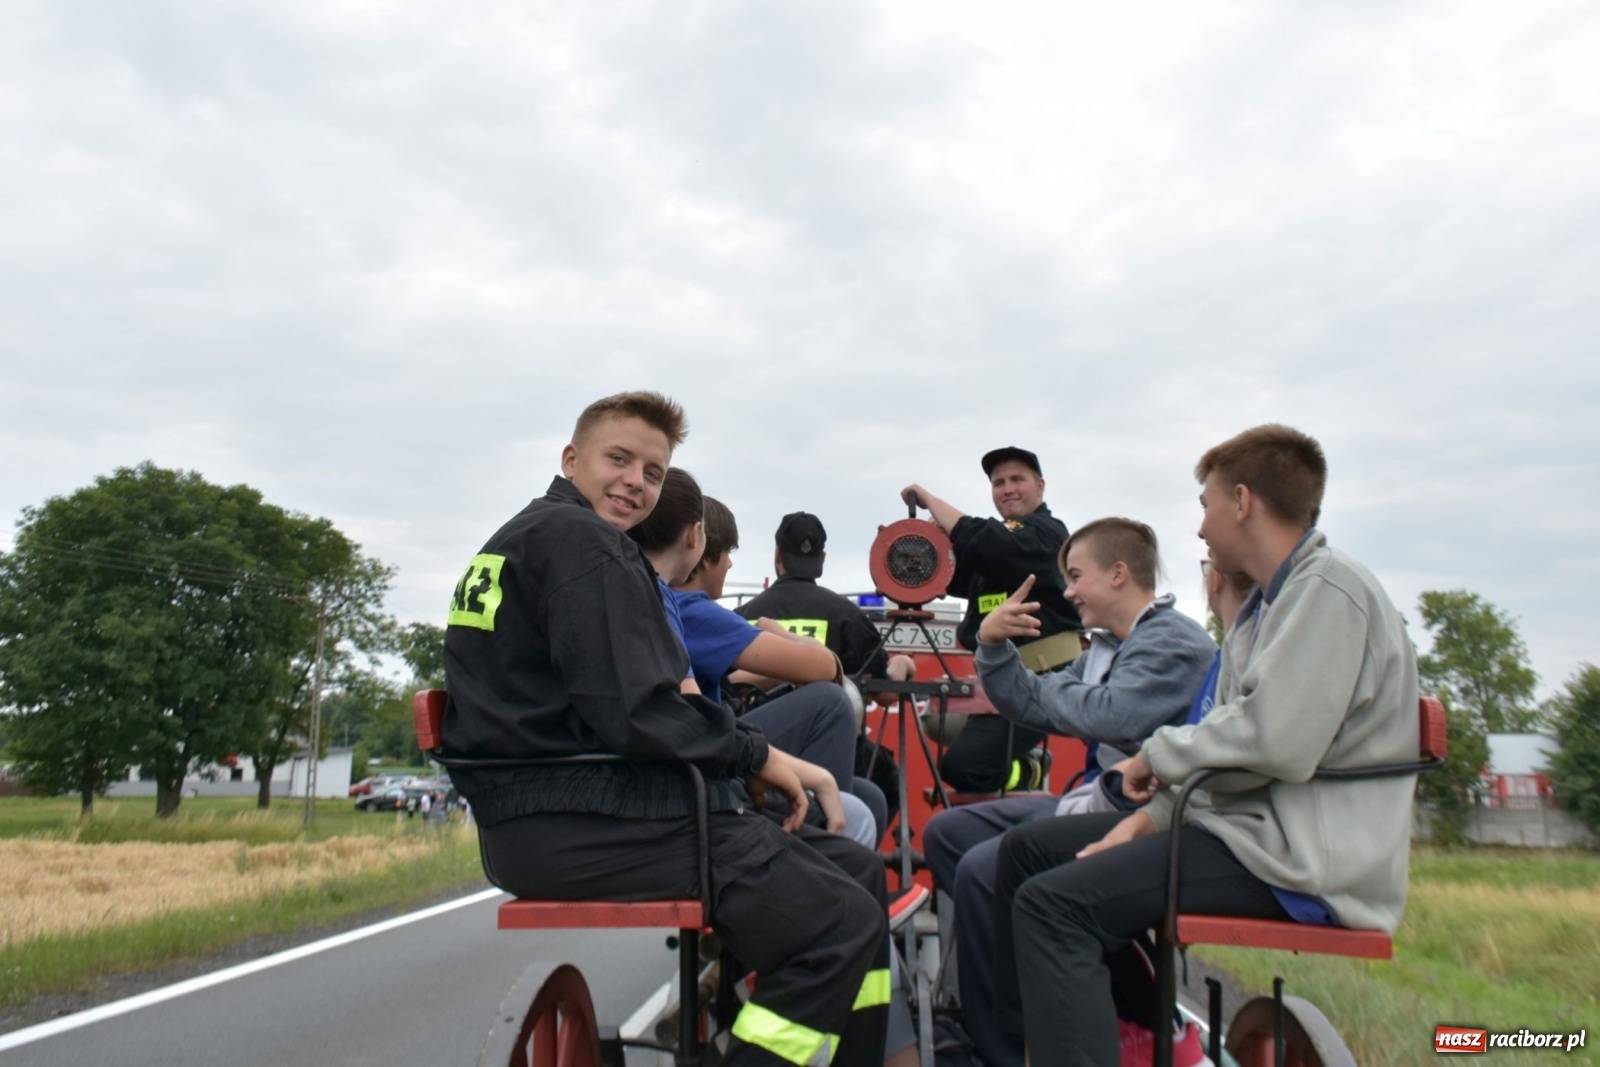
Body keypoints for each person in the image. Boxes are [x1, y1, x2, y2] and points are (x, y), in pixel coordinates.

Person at [442, 392, 891, 1067]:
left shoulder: (532, 537)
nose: (636, 481)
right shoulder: (585, 546)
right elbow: (639, 711)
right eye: (618, 458)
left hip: (547, 812)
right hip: (580, 817)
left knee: (855, 871)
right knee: (842, 921)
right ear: (572, 458)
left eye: (653, 471)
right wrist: (757, 754)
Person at [991, 425, 1420, 1067]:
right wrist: (1148, 817)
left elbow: (1273, 742)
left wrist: (1153, 758)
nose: (1198, 530)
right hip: (1252, 831)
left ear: (1242, 502)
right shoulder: (1267, 609)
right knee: (1028, 854)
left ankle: (1110, 1038)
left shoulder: (1327, 591)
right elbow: (1233, 748)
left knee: (1056, 908)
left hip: (1300, 861)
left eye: (1205, 505)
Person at [921, 518, 1216, 1067]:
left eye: (1077, 576)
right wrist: (990, 644)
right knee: (947, 834)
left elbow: (1107, 712)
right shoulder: (1106, 647)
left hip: (1147, 814)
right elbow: (1035, 702)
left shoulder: (1172, 642)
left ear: (1120, 574)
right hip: (1097, 799)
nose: (1069, 590)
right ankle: (993, 1012)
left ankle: (1009, 1044)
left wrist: (1053, 689)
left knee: (986, 869)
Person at [629, 475, 884, 849]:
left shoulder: (668, 604)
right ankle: (824, 838)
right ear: (697, 543)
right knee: (829, 704)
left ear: (779, 556)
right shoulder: (693, 610)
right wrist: (782, 636)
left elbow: (719, 681)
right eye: (729, 552)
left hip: (695, 755)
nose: (731, 564)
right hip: (710, 768)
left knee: (871, 797)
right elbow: (824, 669)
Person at [902, 447, 1081, 792]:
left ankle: (1028, 772)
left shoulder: (1046, 534)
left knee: (964, 768)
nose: (1008, 488)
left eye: (1018, 479)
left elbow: (986, 541)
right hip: (1001, 682)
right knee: (955, 752)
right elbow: (961, 572)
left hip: (1046, 679)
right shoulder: (1000, 549)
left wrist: (931, 501)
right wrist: (927, 553)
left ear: (1040, 486)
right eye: (999, 483)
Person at [735, 511, 917, 691]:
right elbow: (883, 692)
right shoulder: (850, 617)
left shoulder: (740, 618)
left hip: (750, 719)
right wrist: (902, 663)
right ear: (822, 559)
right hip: (826, 719)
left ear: (778, 555)